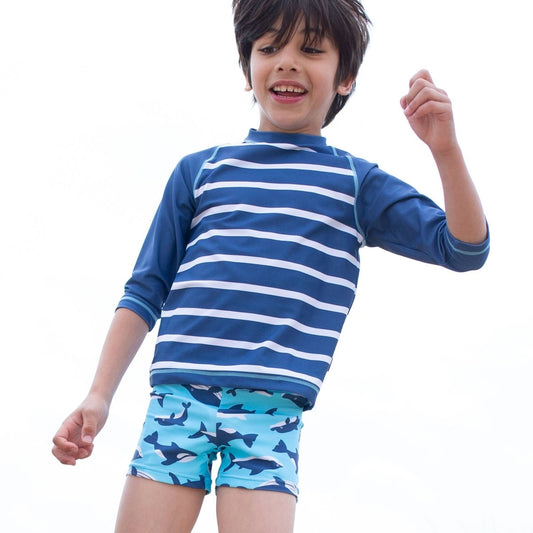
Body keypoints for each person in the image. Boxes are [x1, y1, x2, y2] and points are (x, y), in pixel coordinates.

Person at [52, 0, 490, 531]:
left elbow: (464, 248)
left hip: (271, 417)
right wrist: (99, 396)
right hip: (177, 401)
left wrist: (445, 149)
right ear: (247, 69)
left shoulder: (356, 185)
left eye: (312, 49)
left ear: (345, 78)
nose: (287, 61)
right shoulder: (200, 172)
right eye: (269, 47)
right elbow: (145, 291)